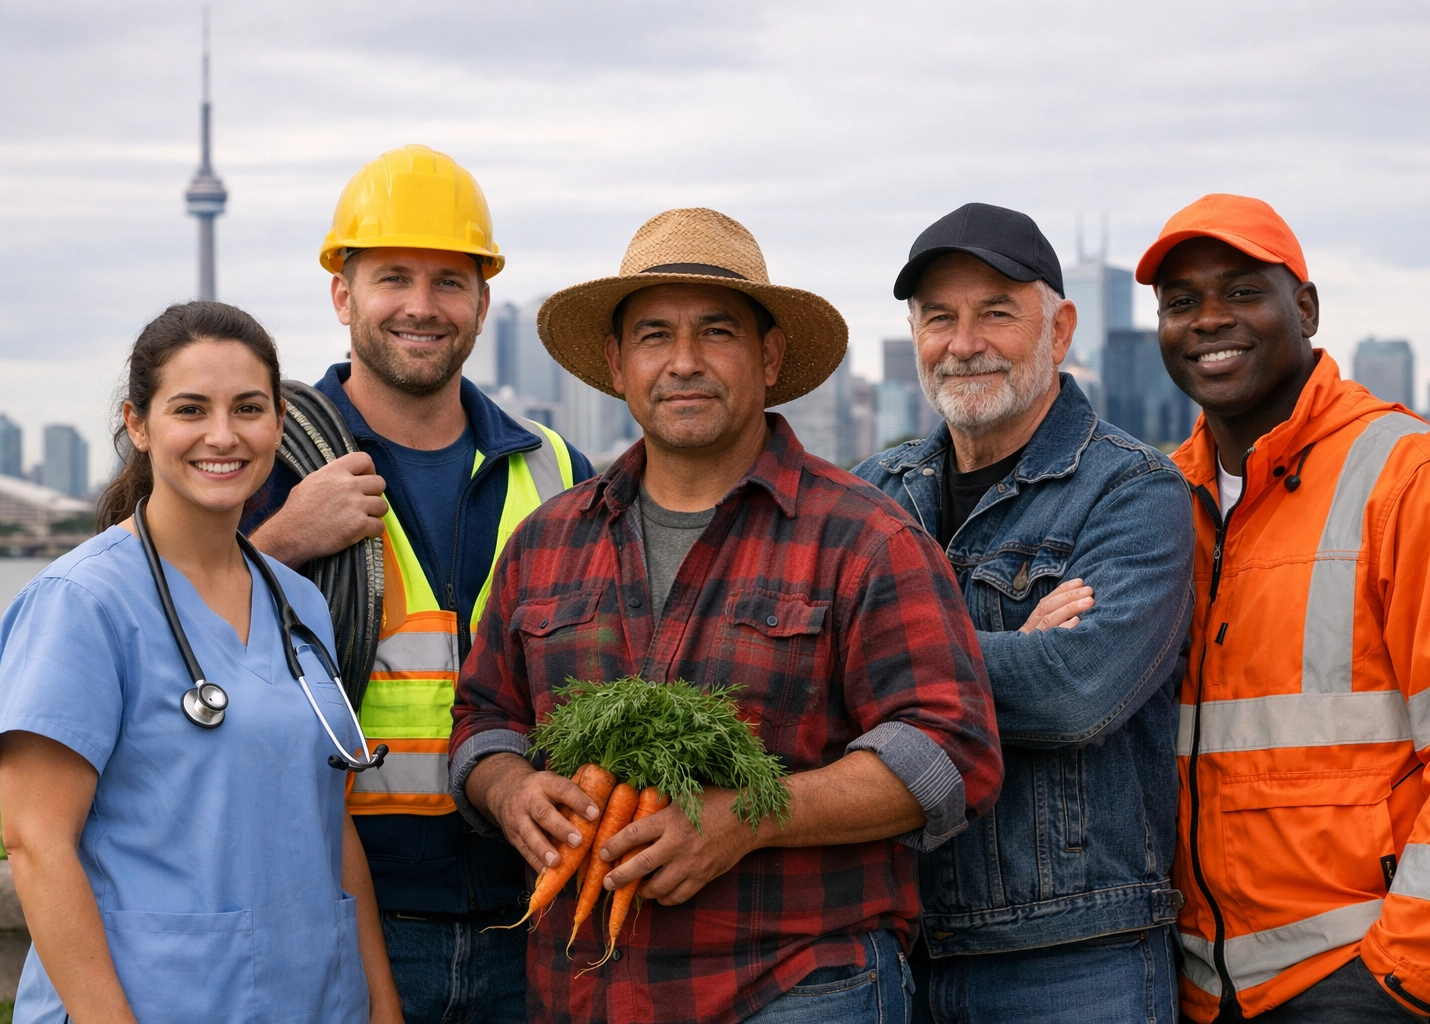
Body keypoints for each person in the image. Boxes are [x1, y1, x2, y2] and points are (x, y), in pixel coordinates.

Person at [449, 207, 1004, 1024]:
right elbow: (483, 719)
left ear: (769, 355)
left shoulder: (864, 536)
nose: (683, 363)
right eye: (652, 336)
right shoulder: (546, 542)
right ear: (616, 362)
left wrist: (748, 818)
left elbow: (950, 753)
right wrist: (509, 791)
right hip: (581, 992)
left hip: (796, 988)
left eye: (716, 332)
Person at [1139, 193, 1430, 1022]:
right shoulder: (1162, 503)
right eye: (1182, 303)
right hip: (1209, 992)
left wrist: (1401, 979)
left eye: (1243, 291)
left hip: (1374, 983)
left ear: (1307, 309)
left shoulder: (1413, 481)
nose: (1209, 319)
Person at [245, 145, 594, 1024]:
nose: (421, 306)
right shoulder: (265, 457)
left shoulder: (557, 468)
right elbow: (162, 632)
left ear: (482, 302)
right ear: (342, 295)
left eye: (450, 281)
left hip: (537, 912)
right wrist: (279, 541)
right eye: (392, 276)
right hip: (342, 911)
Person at [0, 302, 403, 1023]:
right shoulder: (82, 604)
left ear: (278, 423)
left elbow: (329, 824)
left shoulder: (300, 607)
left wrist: (380, 1005)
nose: (223, 435)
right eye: (191, 408)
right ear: (138, 424)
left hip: (315, 1000)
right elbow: (36, 844)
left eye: (247, 408)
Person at [853, 203, 1194, 1023]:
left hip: (1074, 964)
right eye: (940, 318)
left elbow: (1078, 693)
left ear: (1061, 329)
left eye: (996, 313)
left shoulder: (1132, 489)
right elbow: (798, 679)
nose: (963, 342)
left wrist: (872, 659)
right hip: (896, 950)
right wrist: (1011, 647)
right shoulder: (873, 491)